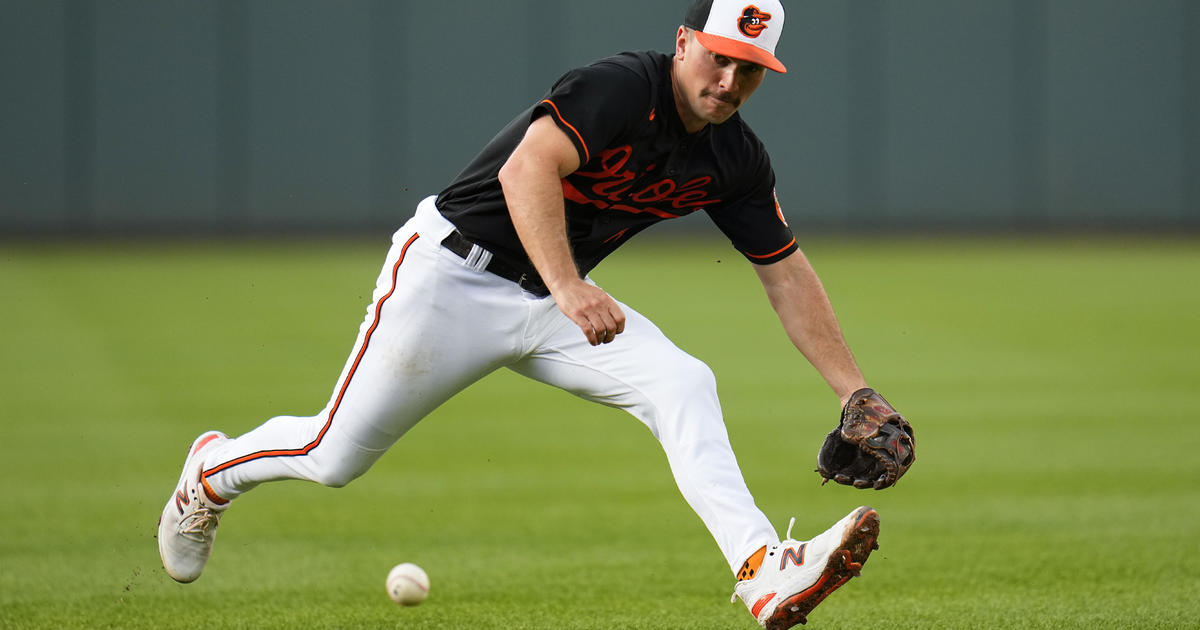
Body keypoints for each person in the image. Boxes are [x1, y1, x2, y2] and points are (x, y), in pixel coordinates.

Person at [158, 1, 885, 627]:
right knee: (334, 456)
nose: (729, 82)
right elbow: (525, 169)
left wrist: (855, 391)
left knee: (683, 383)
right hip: (452, 279)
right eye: (720, 58)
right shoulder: (621, 88)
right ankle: (213, 471)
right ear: (686, 41)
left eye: (750, 69)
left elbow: (786, 272)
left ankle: (762, 570)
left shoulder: (736, 158)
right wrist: (568, 287)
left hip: (553, 299)